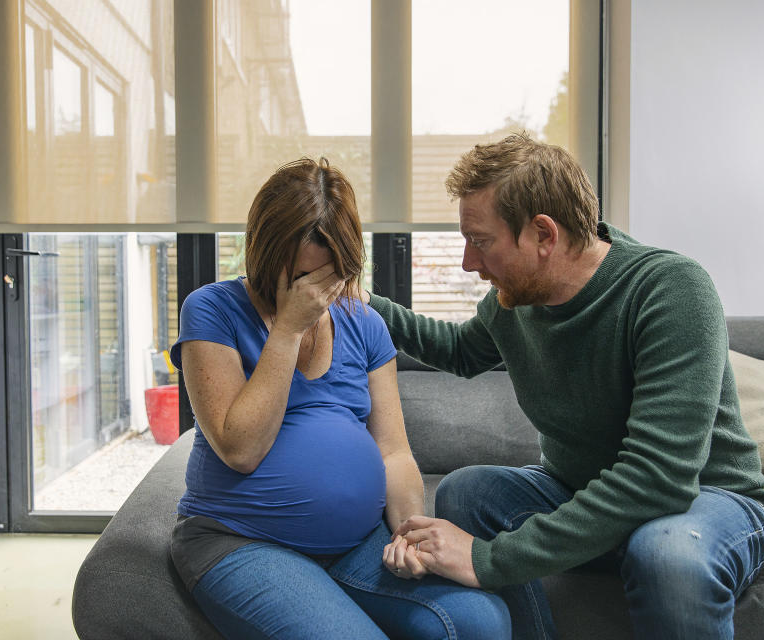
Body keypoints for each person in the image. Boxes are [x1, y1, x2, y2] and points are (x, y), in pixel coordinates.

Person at [368, 134, 764, 640]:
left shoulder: (669, 289)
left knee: (668, 553)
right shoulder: (514, 301)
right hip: (578, 486)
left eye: (480, 241)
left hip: (704, 498)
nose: (468, 265)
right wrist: (363, 303)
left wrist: (489, 559)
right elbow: (459, 350)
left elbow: (659, 477)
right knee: (465, 493)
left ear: (543, 234)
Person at [169, 157, 510, 640]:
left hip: (357, 545)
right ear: (265, 253)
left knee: (483, 621)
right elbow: (239, 450)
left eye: (327, 277)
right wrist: (287, 330)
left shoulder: (364, 323)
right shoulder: (212, 310)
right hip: (243, 541)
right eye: (300, 278)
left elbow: (393, 450)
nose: (315, 293)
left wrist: (410, 532)